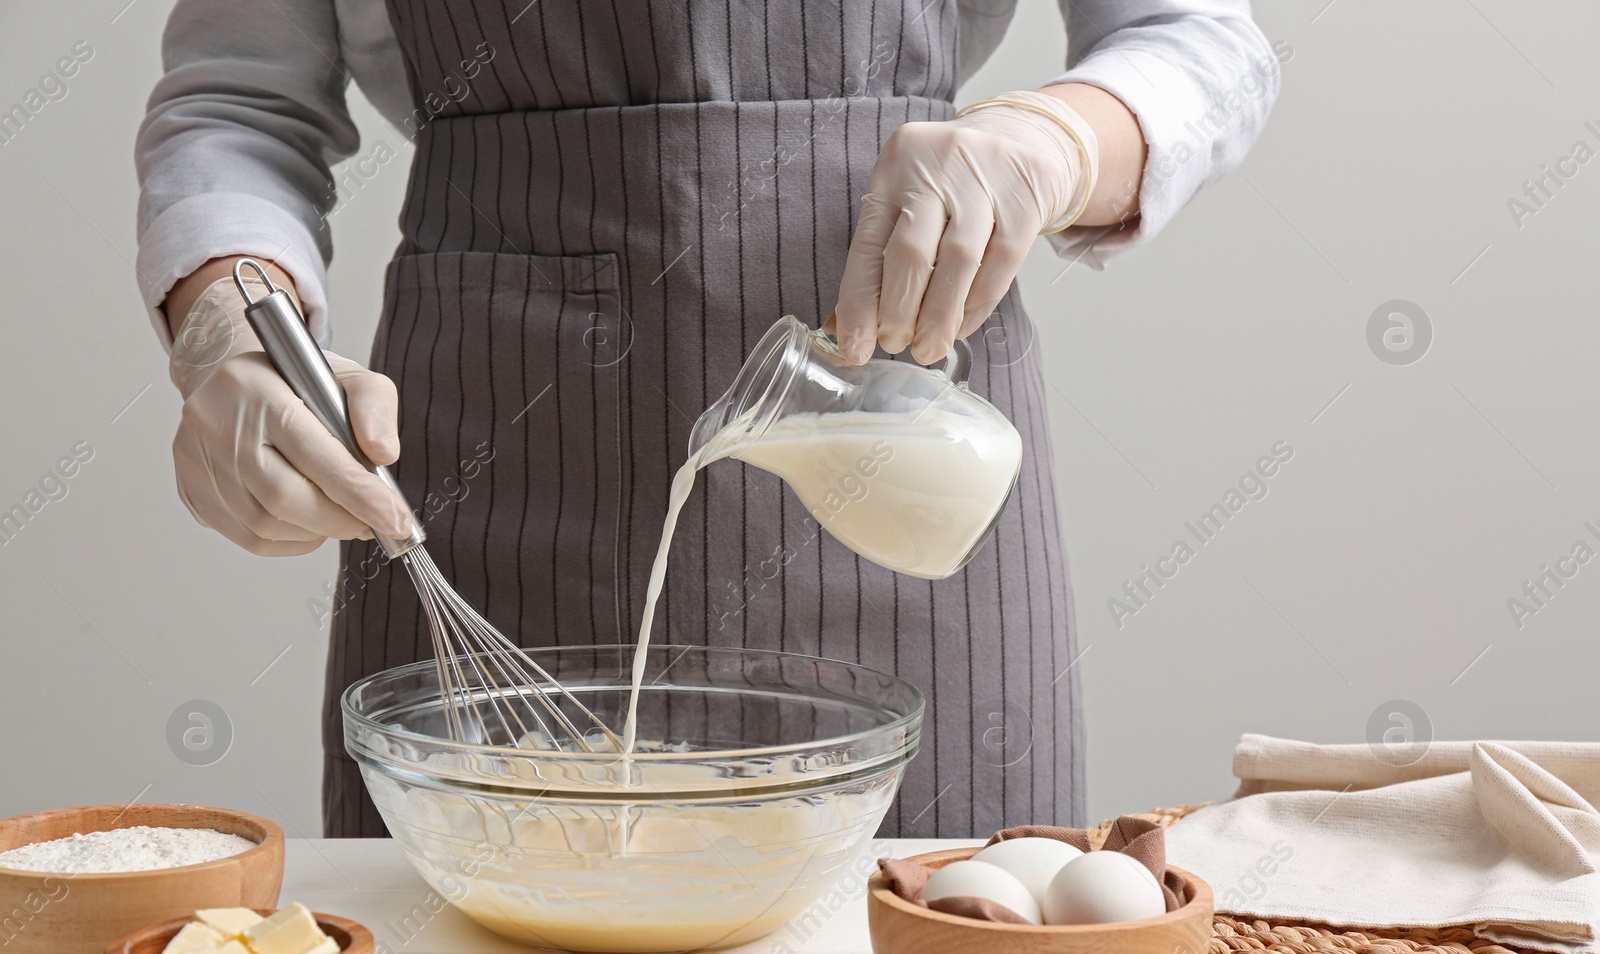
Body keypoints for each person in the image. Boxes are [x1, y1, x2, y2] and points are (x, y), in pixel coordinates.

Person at [137, 0, 1278, 837]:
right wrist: (226, 327)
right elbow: (239, 101)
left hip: (900, 441)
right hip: (494, 466)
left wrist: (1054, 141)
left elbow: (1202, 40)